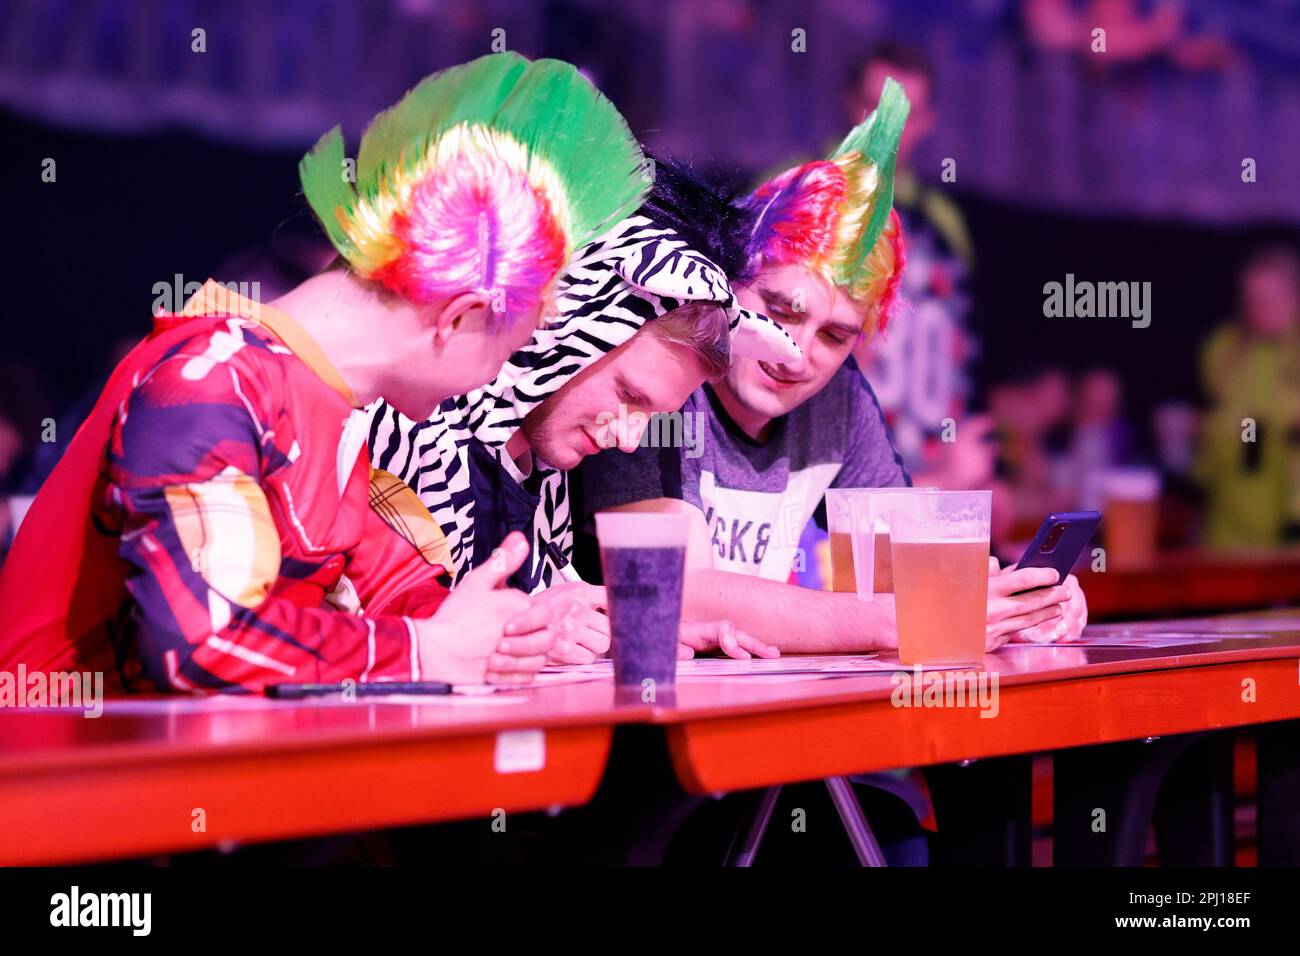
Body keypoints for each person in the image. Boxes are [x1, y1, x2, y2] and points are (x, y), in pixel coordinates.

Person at [0, 52, 649, 692]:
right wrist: (428, 649)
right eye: (511, 350)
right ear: (460, 317)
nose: (495, 383)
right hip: (57, 779)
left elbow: (405, 603)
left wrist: (510, 627)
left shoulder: (326, 414)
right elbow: (202, 641)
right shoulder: (210, 380)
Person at [579, 78, 1089, 657]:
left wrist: (1019, 597)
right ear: (731, 281)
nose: (796, 350)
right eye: (779, 311)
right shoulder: (661, 369)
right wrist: (898, 621)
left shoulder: (840, 400)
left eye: (835, 335)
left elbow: (909, 568)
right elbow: (678, 592)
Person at [364, 158, 803, 663]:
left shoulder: (541, 469)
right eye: (629, 395)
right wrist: (523, 628)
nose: (631, 438)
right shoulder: (407, 426)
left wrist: (621, 633)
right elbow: (367, 629)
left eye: (653, 415)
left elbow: (543, 613)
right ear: (569, 325)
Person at [1194, 244, 1300, 549]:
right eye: (1252, 299)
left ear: (1293, 297)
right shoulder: (1223, 348)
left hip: (1288, 518)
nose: (1260, 309)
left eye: (1271, 300)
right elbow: (1219, 420)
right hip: (1227, 516)